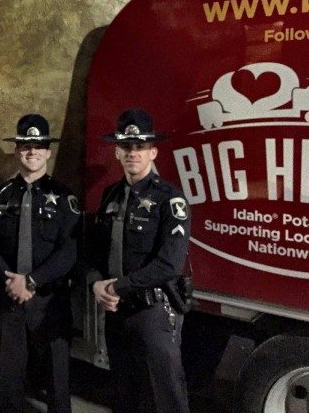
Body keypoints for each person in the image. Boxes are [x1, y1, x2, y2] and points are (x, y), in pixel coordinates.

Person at [86, 108, 192, 413]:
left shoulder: (169, 199)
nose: (133, 153)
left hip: (153, 313)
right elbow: (93, 251)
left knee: (164, 396)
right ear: (118, 152)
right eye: (127, 147)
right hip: (116, 312)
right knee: (124, 393)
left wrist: (118, 287)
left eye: (141, 147)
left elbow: (169, 264)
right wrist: (95, 285)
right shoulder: (110, 196)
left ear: (153, 152)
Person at [0, 114, 79, 413]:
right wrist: (10, 280)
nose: (32, 151)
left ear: (48, 151)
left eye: (39, 146)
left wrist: (32, 281)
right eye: (25, 145)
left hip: (49, 300)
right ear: (16, 150)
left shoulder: (64, 198)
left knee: (56, 379)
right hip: (9, 297)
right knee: (7, 377)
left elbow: (69, 250)